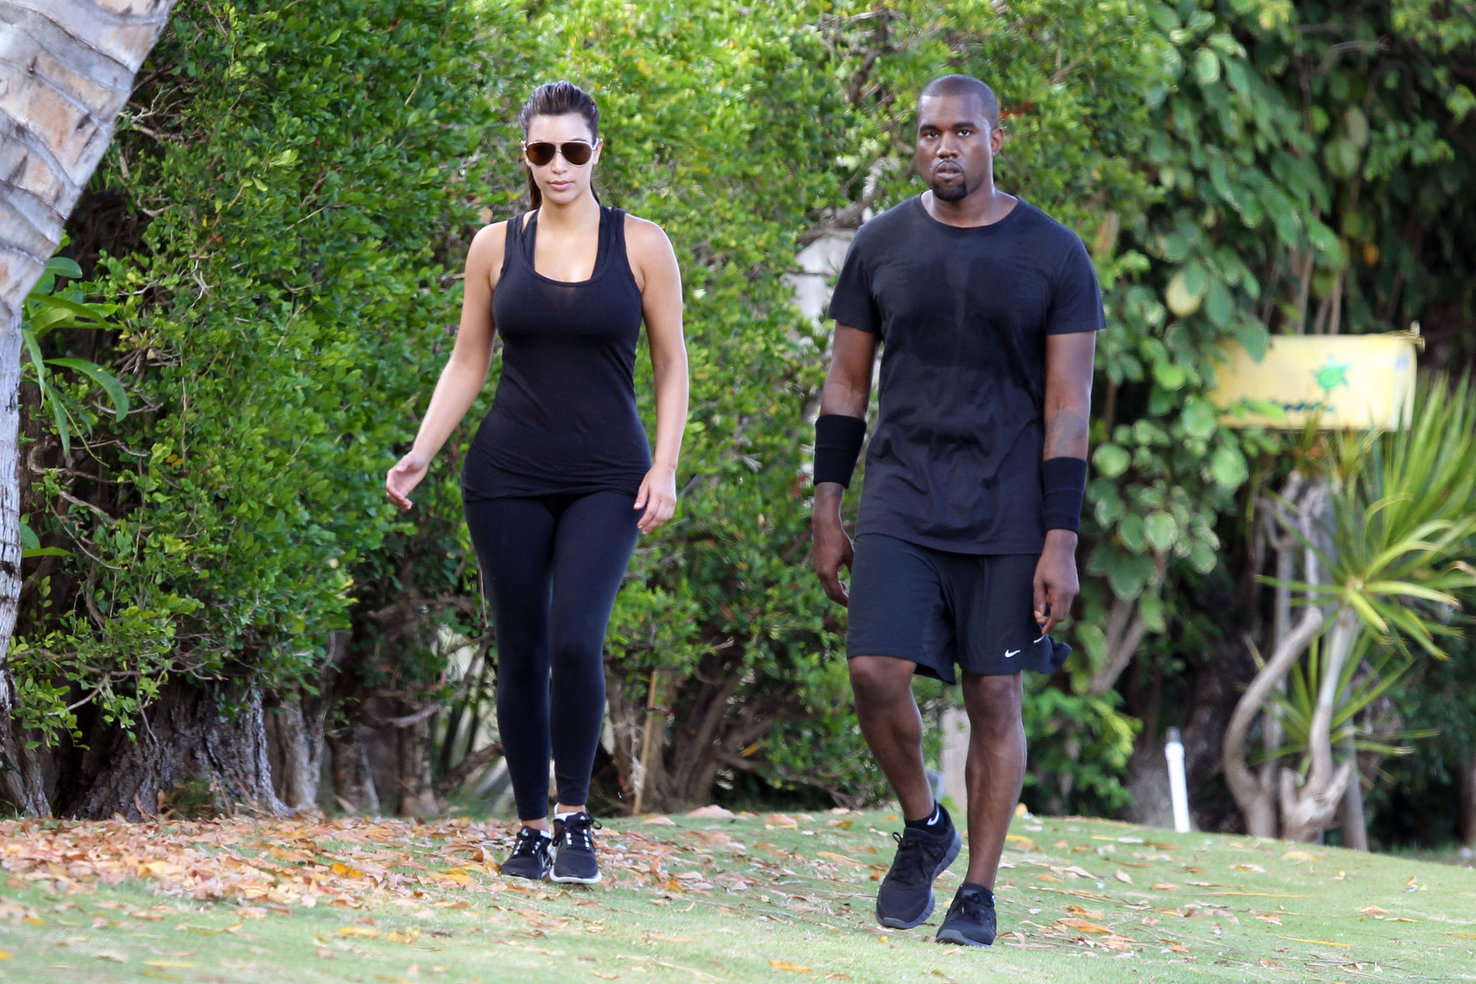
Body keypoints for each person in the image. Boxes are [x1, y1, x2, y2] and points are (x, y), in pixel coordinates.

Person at [811, 74, 1101, 946]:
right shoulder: (882, 245)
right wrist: (829, 502)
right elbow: (847, 381)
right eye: (930, 132)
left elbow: (1067, 407)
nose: (946, 147)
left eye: (963, 133)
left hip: (1011, 506)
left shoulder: (1055, 256)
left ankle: (977, 888)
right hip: (901, 492)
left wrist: (1061, 538)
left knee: (994, 693)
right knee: (873, 671)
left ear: (994, 138)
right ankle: (923, 825)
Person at [386, 80, 688, 886]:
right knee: (519, 649)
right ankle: (529, 830)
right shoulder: (494, 245)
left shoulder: (643, 245)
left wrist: (665, 465)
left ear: (598, 152)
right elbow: (468, 358)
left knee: (575, 639)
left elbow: (672, 366)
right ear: (525, 155)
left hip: (608, 475)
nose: (559, 166)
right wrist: (421, 449)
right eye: (542, 151)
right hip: (507, 472)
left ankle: (576, 818)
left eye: (574, 150)